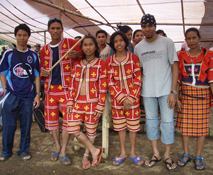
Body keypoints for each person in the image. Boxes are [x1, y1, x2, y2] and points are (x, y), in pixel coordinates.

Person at [134, 14, 179, 171]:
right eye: (144, 26)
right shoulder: (138, 47)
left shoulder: (167, 42)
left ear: (155, 26)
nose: (147, 29)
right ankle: (156, 153)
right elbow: (138, 71)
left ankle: (167, 154)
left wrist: (174, 91)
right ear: (141, 28)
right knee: (151, 123)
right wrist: (139, 94)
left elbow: (175, 67)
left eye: (150, 26)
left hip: (166, 90)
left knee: (167, 124)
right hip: (147, 92)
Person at [176, 28, 213, 171]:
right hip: (186, 96)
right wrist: (177, 97)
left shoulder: (209, 55)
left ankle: (198, 156)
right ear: (186, 40)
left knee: (201, 129)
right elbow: (177, 78)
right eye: (188, 39)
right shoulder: (181, 56)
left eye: (193, 38)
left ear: (199, 38)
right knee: (185, 129)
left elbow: (212, 79)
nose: (191, 41)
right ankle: (186, 154)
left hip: (202, 97)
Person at [40, 18, 82, 165]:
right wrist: (43, 72)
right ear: (48, 30)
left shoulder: (71, 44)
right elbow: (40, 69)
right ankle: (57, 146)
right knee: (52, 121)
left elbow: (83, 57)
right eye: (53, 28)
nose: (56, 31)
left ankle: (63, 149)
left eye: (58, 28)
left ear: (62, 29)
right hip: (50, 89)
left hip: (67, 88)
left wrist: (77, 56)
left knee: (68, 120)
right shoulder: (44, 50)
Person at [0, 24, 41, 161]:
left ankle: (23, 150)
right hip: (12, 95)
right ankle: (6, 151)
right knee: (9, 125)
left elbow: (37, 75)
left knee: (26, 125)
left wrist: (38, 95)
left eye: (25, 35)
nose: (22, 38)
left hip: (28, 96)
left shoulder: (33, 55)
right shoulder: (8, 54)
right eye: (19, 35)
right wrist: (5, 90)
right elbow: (2, 73)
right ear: (15, 36)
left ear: (28, 37)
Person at [67, 35, 106, 169]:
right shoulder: (77, 65)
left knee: (91, 130)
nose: (88, 47)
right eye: (85, 45)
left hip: (93, 103)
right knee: (72, 128)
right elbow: (72, 85)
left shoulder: (101, 64)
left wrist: (100, 105)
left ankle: (86, 155)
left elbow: (103, 87)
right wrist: (70, 102)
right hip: (77, 102)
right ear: (82, 48)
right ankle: (95, 150)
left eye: (90, 44)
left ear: (95, 47)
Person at [106, 31, 143, 166]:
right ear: (113, 44)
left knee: (133, 127)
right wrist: (122, 99)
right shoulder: (109, 61)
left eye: (121, 40)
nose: (118, 43)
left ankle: (132, 152)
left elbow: (138, 79)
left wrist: (130, 98)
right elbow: (110, 82)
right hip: (117, 101)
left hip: (133, 100)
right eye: (115, 41)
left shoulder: (133, 58)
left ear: (125, 42)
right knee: (120, 127)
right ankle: (123, 152)